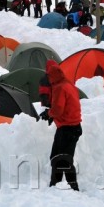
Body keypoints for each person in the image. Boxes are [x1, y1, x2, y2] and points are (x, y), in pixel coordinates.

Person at [42, 61, 82, 190]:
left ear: (52, 76)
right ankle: (59, 184)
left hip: (67, 128)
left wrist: (49, 113)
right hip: (74, 126)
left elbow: (58, 109)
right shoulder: (68, 84)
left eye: (48, 76)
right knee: (62, 158)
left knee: (60, 158)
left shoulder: (59, 87)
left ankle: (65, 186)